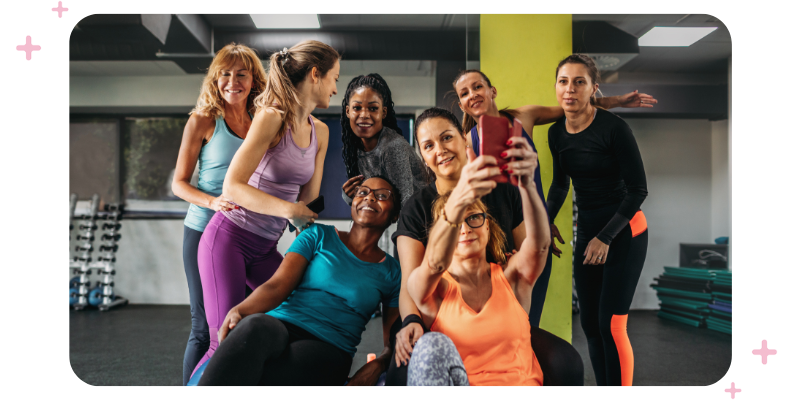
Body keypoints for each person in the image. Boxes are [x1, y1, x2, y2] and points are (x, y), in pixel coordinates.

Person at [388, 107, 583, 386]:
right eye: (429, 145)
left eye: (446, 138)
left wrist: (527, 183)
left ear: (464, 140)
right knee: (402, 367)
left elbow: (535, 247)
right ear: (423, 157)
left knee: (565, 360)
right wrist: (411, 322)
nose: (440, 149)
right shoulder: (417, 209)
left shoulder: (504, 190)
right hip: (440, 311)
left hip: (501, 296)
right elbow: (420, 276)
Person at [452, 69, 657, 327]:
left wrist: (616, 101)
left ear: (492, 91)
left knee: (529, 321)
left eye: (477, 87)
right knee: (499, 323)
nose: (472, 95)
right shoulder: (465, 144)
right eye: (465, 93)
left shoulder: (522, 117)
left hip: (536, 236)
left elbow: (574, 107)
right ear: (461, 104)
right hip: (498, 243)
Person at [193, 40, 339, 375]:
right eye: (334, 77)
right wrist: (289, 211)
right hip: (227, 240)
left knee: (294, 313)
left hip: (264, 249)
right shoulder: (271, 118)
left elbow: (306, 206)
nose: (335, 87)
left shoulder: (321, 132)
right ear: (315, 75)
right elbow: (232, 187)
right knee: (225, 338)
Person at [196, 177, 402, 386]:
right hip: (281, 323)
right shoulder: (317, 235)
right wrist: (240, 310)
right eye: (362, 192)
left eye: (382, 195)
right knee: (254, 326)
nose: (369, 198)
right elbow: (278, 285)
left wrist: (378, 365)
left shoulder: (392, 272)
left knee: (282, 366)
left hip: (329, 345)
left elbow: (391, 343)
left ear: (395, 214)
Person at [405, 132, 551, 385]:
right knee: (429, 345)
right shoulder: (434, 290)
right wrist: (458, 200)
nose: (465, 228)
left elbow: (539, 246)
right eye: (456, 223)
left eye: (474, 218)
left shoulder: (512, 277)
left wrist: (528, 185)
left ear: (488, 227)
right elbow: (434, 264)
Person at [546, 54, 649, 386]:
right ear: (557, 87)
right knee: (590, 324)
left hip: (624, 229)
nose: (570, 89)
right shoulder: (556, 133)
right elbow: (562, 183)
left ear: (593, 88)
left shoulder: (614, 128)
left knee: (612, 324)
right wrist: (545, 221)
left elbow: (638, 190)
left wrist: (605, 237)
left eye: (579, 82)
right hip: (589, 230)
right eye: (564, 81)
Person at [171, 43, 267, 386]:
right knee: (204, 326)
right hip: (203, 232)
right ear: (215, 78)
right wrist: (212, 203)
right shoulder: (203, 120)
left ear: (254, 78)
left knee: (246, 318)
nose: (232, 81)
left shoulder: (262, 121)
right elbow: (179, 184)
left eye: (241, 73)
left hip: (248, 235)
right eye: (225, 73)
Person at [340, 73, 429, 207]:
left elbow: (405, 209)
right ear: (347, 111)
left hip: (420, 224)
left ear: (384, 112)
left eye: (373, 108)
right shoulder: (357, 148)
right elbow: (371, 202)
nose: (364, 115)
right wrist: (348, 196)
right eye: (357, 108)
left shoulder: (393, 147)